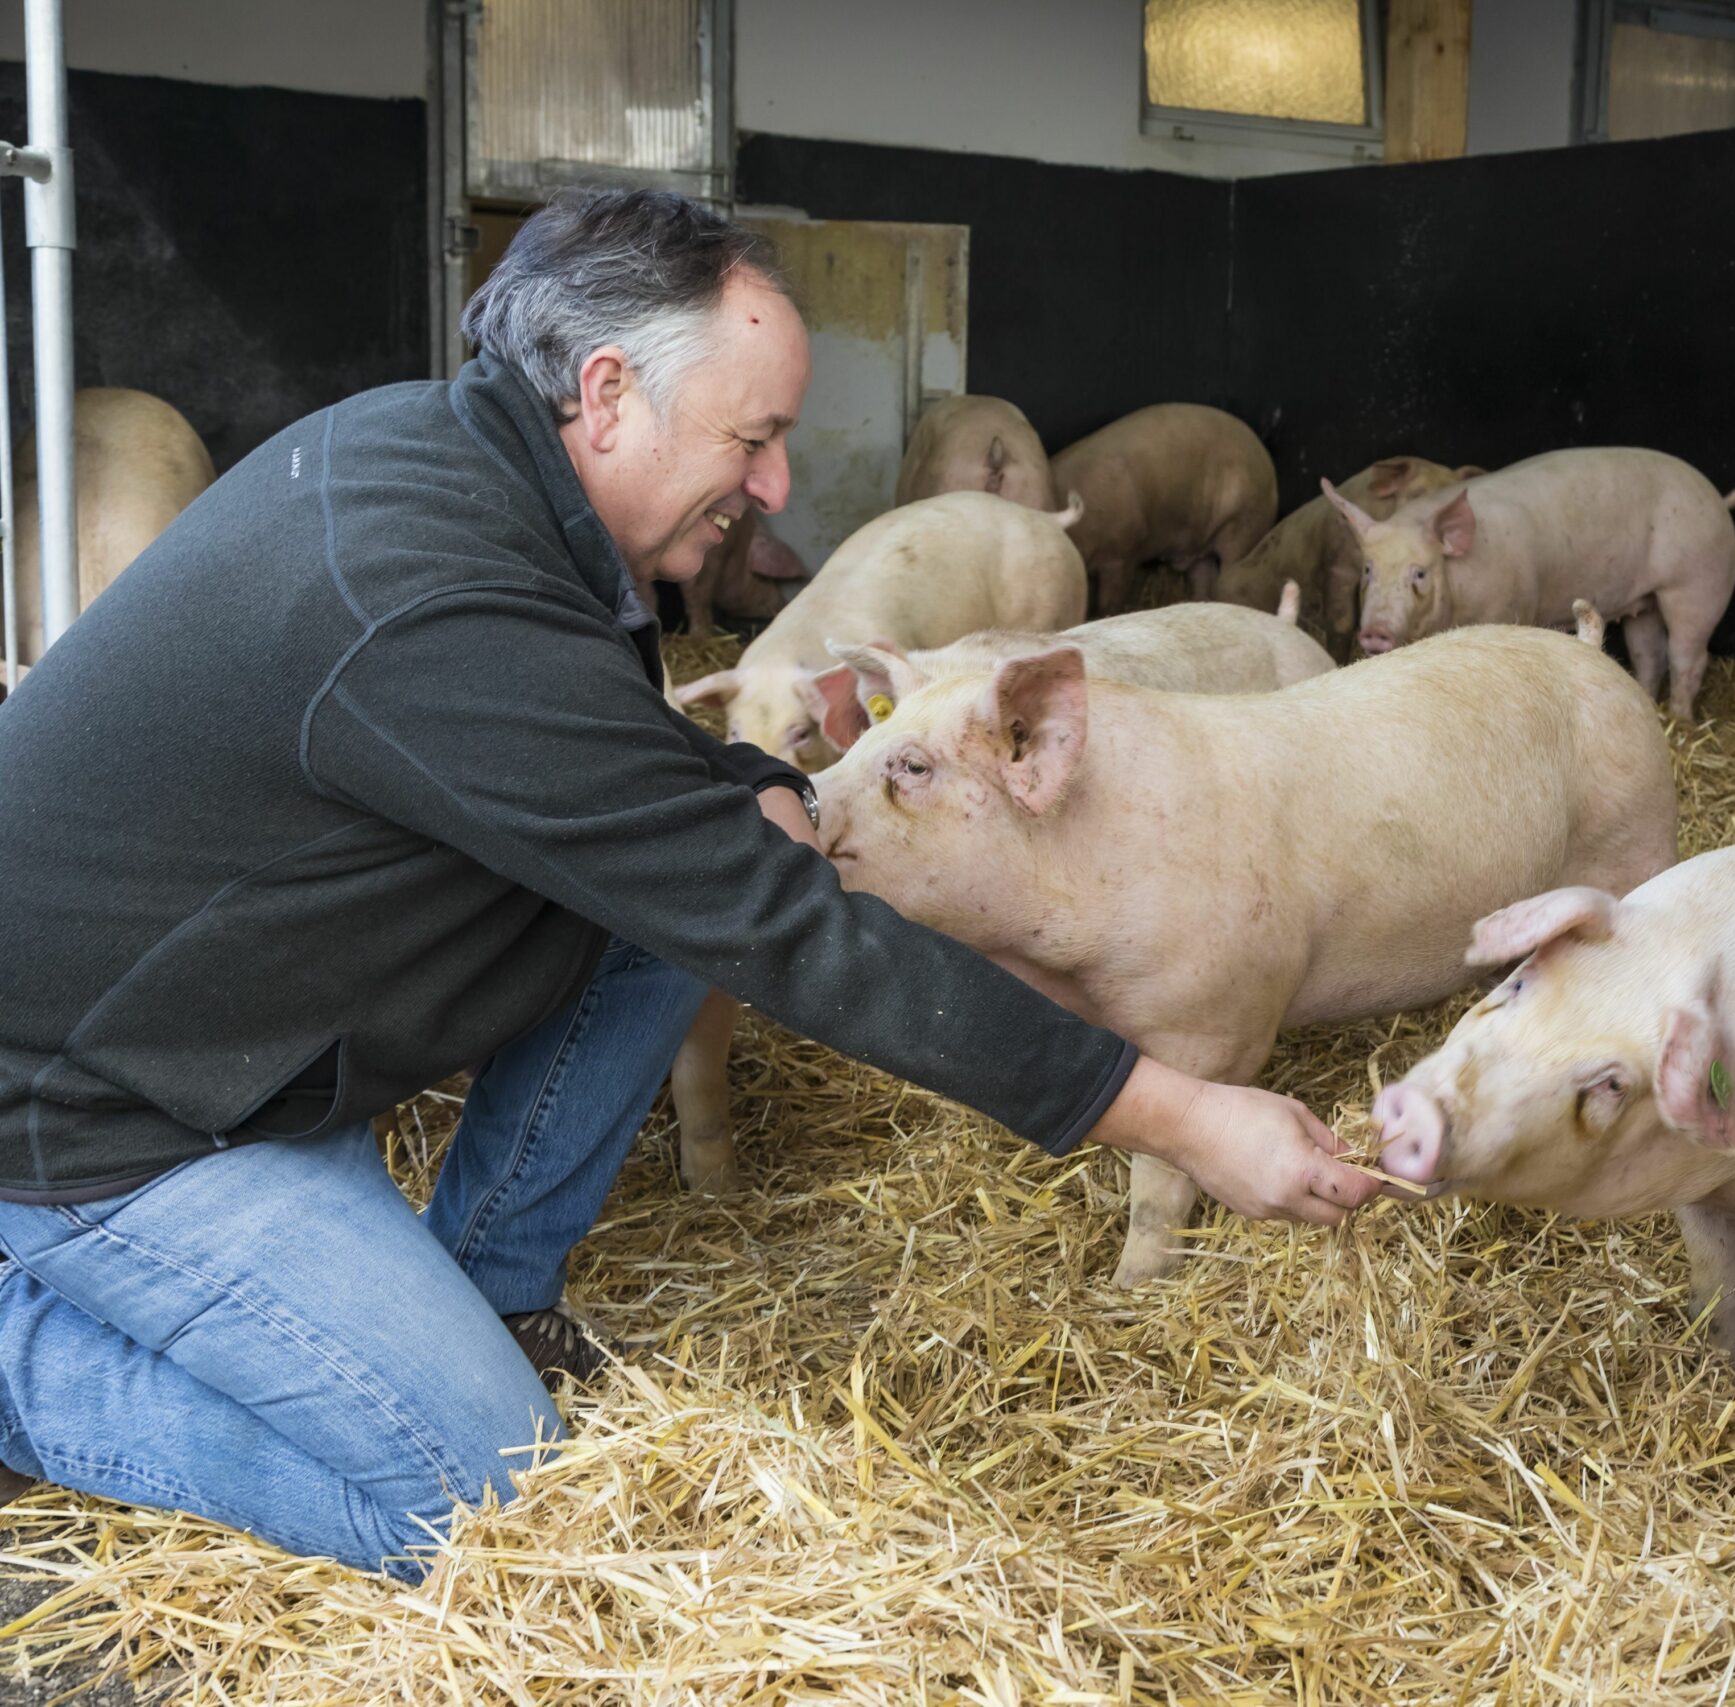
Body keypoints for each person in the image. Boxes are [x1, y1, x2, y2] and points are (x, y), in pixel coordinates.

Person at [0, 189, 1379, 1581]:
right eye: (756, 436)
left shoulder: (466, 467)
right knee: (482, 1497)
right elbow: (789, 936)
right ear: (607, 396)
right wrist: (1182, 1113)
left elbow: (626, 772)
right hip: (107, 1114)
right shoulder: (430, 592)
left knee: (709, 875)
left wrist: (749, 788)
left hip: (232, 1029)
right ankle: (16, 1357)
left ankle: (491, 1294)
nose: (779, 487)